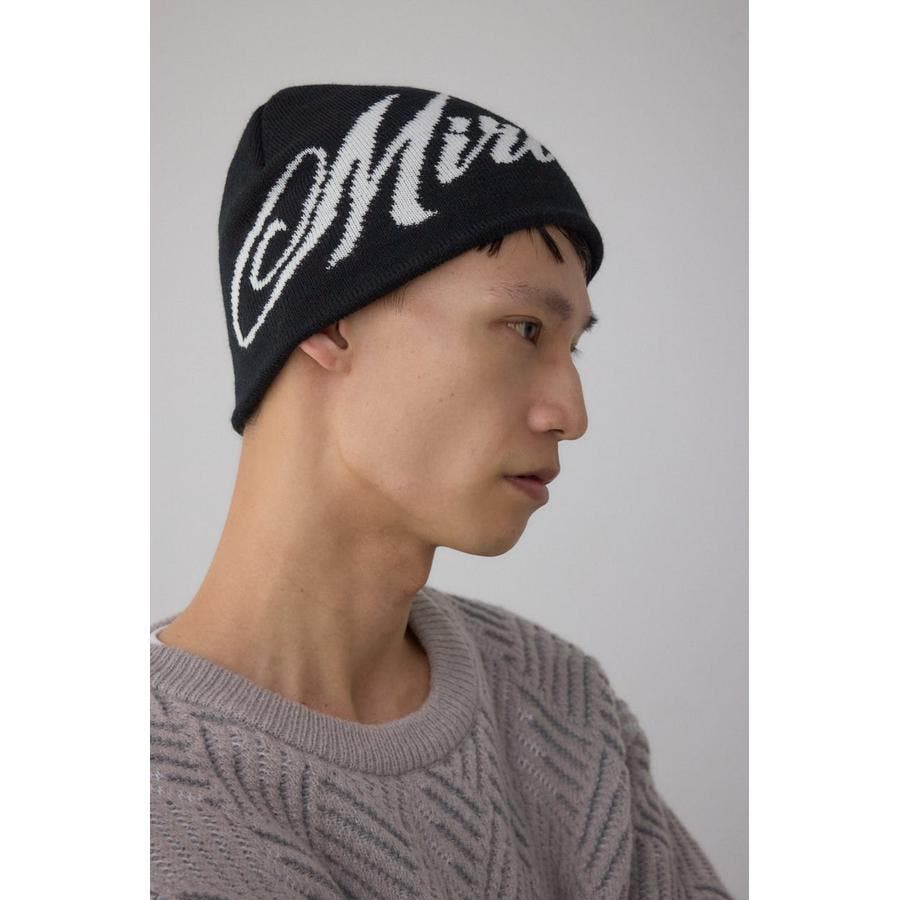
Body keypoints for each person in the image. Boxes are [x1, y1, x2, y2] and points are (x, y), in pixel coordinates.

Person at [150, 83, 732, 899]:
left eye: (572, 348)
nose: (571, 414)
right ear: (328, 317)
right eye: (525, 330)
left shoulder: (556, 702)